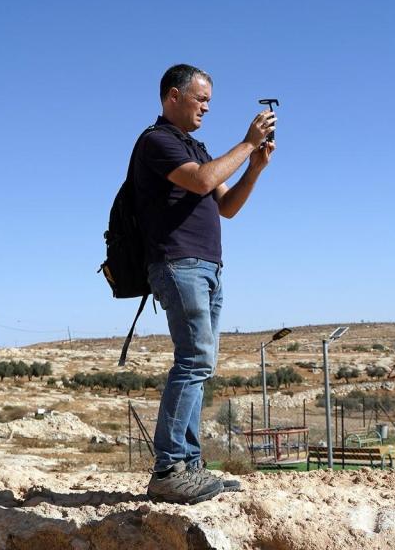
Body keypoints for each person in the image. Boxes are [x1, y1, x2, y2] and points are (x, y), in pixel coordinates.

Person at [134, 63, 276, 504]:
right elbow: (201, 180)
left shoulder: (194, 145)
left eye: (209, 101)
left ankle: (190, 467)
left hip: (208, 268)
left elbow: (226, 205)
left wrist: (254, 166)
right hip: (179, 265)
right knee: (193, 361)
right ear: (173, 96)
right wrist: (246, 142)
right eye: (201, 99)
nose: (206, 108)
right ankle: (168, 469)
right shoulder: (156, 141)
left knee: (201, 365)